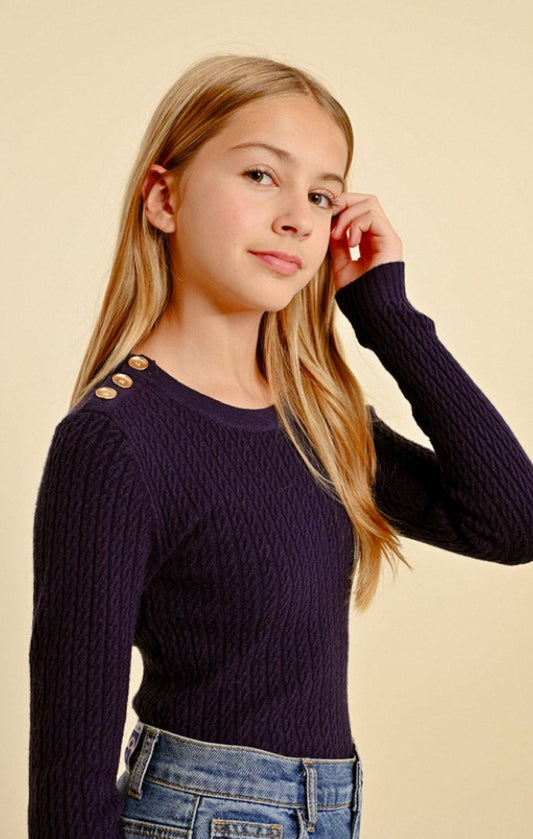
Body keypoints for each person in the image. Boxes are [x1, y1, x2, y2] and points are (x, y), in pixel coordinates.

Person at [28, 53, 533, 839]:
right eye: (261, 175)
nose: (298, 217)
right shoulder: (114, 441)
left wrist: (386, 314)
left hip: (326, 812)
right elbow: (69, 779)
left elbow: (511, 523)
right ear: (164, 197)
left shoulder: (317, 417)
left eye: (322, 195)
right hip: (197, 817)